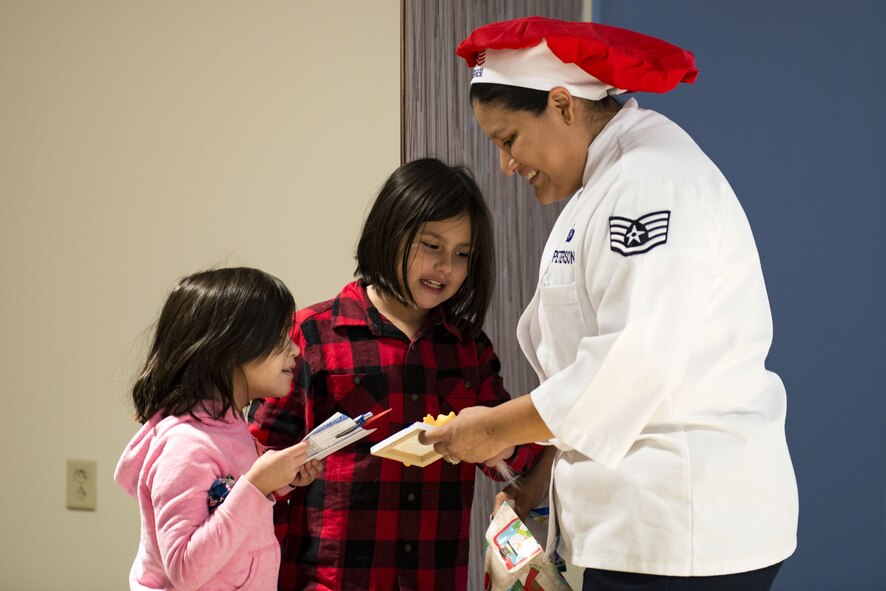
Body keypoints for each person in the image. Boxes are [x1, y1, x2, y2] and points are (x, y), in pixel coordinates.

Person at [420, 17, 799, 591]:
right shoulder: (604, 184)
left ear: (563, 105)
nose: (507, 165)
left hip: (679, 530)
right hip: (640, 528)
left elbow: (632, 363)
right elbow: (589, 381)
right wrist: (539, 476)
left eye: (508, 139)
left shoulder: (649, 183)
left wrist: (497, 428)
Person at [248, 157, 545, 591]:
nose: (446, 266)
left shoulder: (469, 349)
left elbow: (515, 464)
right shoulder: (312, 335)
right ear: (390, 233)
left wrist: (497, 446)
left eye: (462, 254)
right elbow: (255, 467)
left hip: (433, 579)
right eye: (431, 245)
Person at [115, 267, 323, 591]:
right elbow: (185, 569)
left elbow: (226, 502)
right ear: (231, 349)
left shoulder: (230, 426)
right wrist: (256, 485)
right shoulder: (186, 445)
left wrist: (277, 483)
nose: (294, 349)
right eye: (281, 337)